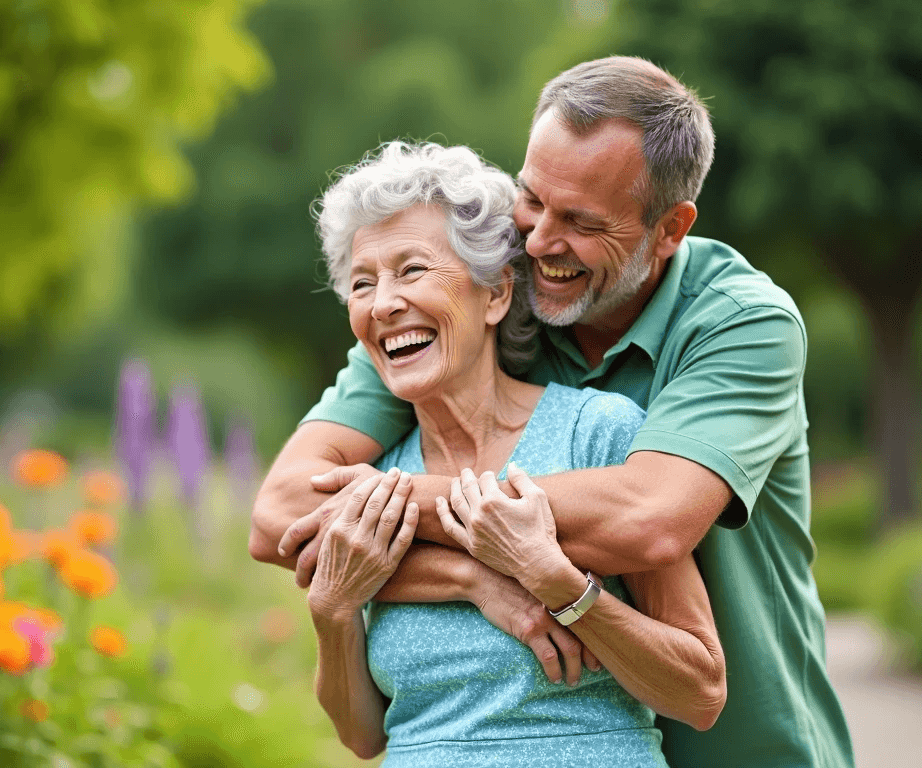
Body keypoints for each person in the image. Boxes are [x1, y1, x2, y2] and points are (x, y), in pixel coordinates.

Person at [251, 56, 854, 767]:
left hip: (747, 749)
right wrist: (470, 578)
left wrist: (393, 504)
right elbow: (286, 520)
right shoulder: (454, 320)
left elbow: (648, 520)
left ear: (669, 228)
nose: (536, 243)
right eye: (532, 199)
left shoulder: (741, 324)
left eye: (581, 221)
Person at [305, 140, 725, 766]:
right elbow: (363, 737)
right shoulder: (375, 486)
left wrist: (554, 580)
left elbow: (700, 692)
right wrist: (333, 610)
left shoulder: (595, 434)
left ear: (497, 294)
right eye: (362, 283)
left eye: (413, 270)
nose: (383, 303)